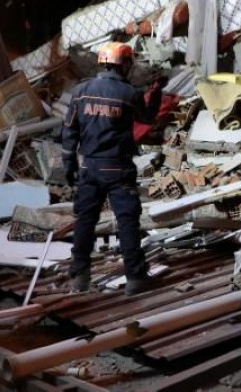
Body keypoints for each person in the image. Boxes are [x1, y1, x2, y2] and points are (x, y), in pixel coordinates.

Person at [61, 42, 165, 296]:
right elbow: (147, 119)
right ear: (124, 64)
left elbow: (69, 131)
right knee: (127, 222)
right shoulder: (128, 94)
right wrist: (157, 91)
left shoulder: (81, 92)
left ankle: (79, 277)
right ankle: (135, 279)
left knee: (85, 221)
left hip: (90, 168)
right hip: (118, 168)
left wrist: (68, 164)